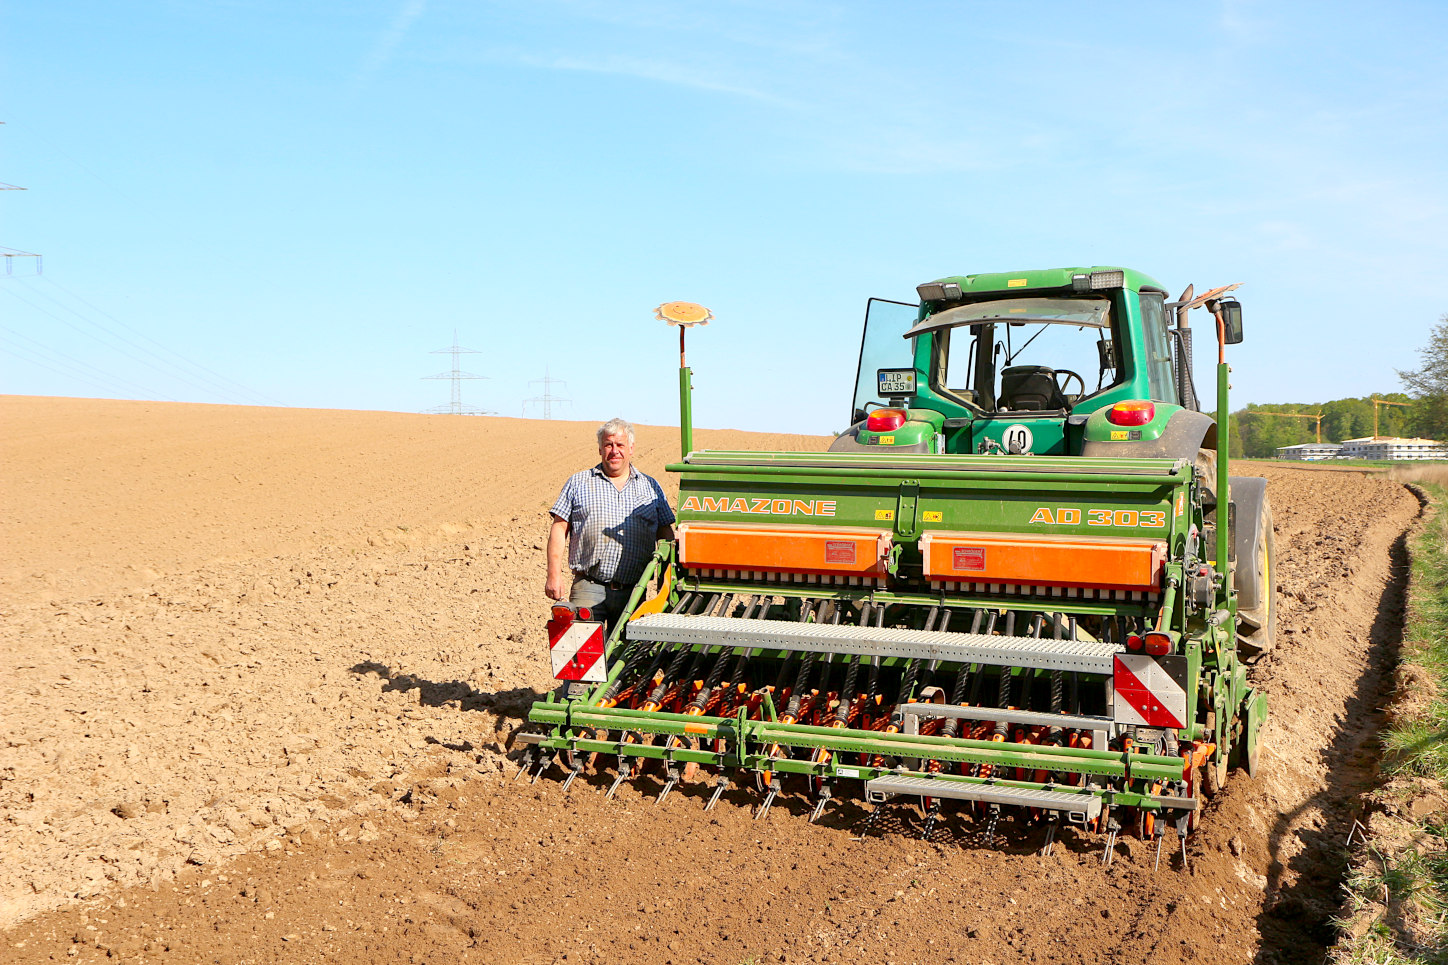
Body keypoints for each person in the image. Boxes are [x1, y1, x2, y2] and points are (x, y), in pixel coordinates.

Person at [546, 418, 675, 630]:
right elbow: (559, 528)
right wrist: (554, 575)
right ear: (600, 449)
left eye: (620, 445)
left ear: (631, 448)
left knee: (627, 657)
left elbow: (665, 534)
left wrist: (666, 582)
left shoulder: (650, 487)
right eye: (608, 445)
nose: (614, 451)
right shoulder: (578, 482)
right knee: (582, 654)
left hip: (634, 591)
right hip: (588, 586)